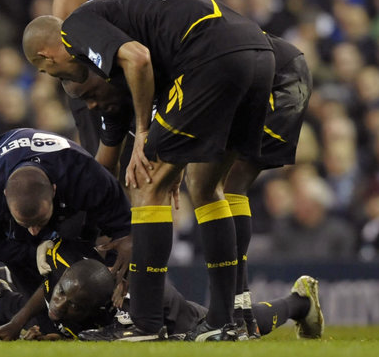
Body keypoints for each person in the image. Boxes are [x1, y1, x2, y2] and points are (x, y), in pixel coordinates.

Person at [23, 0, 276, 341]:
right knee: (208, 187)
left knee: (144, 181)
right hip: (258, 51)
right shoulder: (121, 17)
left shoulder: (75, 27)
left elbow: (138, 58)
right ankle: (223, 319)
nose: (56, 76)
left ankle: (141, 322)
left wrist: (144, 132)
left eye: (47, 70)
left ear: (45, 55)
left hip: (209, 54)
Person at [61, 33, 313, 338]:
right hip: (258, 64)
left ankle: (259, 307)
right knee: (220, 188)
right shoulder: (124, 85)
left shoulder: (137, 72)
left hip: (259, 69)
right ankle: (290, 304)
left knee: (215, 186)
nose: (92, 105)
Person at [0, 127, 132, 341]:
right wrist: (32, 251)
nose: (34, 230)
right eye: (26, 224)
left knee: (72, 319)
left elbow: (125, 228)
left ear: (54, 190)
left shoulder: (84, 174)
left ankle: (3, 302)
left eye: (39, 222)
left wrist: (113, 279)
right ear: (5, 195)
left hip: (66, 215)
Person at [0, 239, 323, 342]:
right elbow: (47, 292)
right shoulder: (70, 282)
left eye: (73, 304)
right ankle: (0, 295)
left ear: (105, 303)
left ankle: (299, 301)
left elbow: (118, 340)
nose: (60, 304)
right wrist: (15, 323)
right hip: (95, 314)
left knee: (243, 332)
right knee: (34, 319)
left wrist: (70, 339)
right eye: (61, 294)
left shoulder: (130, 306)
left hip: (179, 323)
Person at [53, 0, 170, 155]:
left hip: (139, 73)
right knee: (108, 175)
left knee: (145, 170)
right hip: (103, 80)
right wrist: (90, 81)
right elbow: (65, 11)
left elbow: (162, 6)